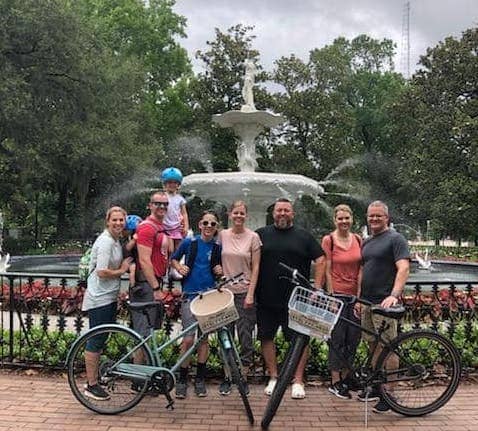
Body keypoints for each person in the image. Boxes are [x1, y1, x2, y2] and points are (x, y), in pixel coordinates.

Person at [256, 198, 325, 399]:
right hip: (266, 297)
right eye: (279, 210)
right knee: (266, 337)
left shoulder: (304, 236)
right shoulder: (261, 234)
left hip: (297, 299)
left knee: (299, 340)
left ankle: (298, 380)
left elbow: (321, 259)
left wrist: (317, 288)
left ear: (292, 214)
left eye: (286, 210)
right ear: (273, 213)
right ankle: (274, 377)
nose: (282, 214)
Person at [358, 200, 410, 413]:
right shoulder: (368, 241)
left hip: (385, 303)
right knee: (372, 346)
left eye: (378, 216)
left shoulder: (396, 239)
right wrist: (360, 299)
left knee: (388, 348)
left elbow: (404, 268)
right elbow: (364, 270)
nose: (374, 219)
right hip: (368, 302)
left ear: (387, 218)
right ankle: (378, 388)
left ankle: (390, 394)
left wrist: (394, 295)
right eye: (371, 216)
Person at [81, 206, 132, 400]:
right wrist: (122, 270)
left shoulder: (115, 240)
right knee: (96, 339)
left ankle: (94, 379)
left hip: (108, 296)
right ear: (107, 221)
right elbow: (102, 272)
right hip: (99, 298)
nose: (118, 223)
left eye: (121, 220)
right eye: (115, 220)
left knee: (101, 338)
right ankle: (91, 384)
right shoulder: (105, 242)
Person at [170, 210, 223, 399]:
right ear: (200, 225)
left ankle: (200, 379)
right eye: (206, 223)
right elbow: (173, 258)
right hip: (190, 296)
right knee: (188, 339)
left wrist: (219, 270)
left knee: (204, 339)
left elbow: (219, 269)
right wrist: (178, 267)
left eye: (213, 224)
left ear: (216, 228)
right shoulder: (189, 243)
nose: (209, 226)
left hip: (208, 297)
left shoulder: (217, 248)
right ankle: (182, 379)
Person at [217, 200, 262, 396]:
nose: (238, 216)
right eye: (235, 213)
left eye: (242, 213)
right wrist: (217, 270)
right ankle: (227, 377)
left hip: (245, 293)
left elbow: (256, 267)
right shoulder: (222, 235)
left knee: (245, 338)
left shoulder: (253, 237)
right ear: (230, 214)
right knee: (225, 337)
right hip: (225, 294)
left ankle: (242, 377)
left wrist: (251, 293)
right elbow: (215, 259)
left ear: (246, 215)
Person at [322, 204, 362, 399]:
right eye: (340, 218)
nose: (344, 222)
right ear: (334, 220)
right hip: (337, 296)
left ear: (352, 219)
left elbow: (361, 269)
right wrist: (330, 296)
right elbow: (327, 269)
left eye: (347, 218)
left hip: (355, 297)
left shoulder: (358, 240)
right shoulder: (329, 240)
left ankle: (347, 377)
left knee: (353, 338)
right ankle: (335, 380)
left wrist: (360, 297)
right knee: (337, 339)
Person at [133, 192, 173, 339]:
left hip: (154, 281)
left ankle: (145, 362)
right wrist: (155, 288)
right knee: (142, 333)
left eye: (165, 204)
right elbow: (144, 260)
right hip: (146, 284)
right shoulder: (147, 228)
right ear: (150, 206)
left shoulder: (160, 226)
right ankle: (138, 363)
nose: (162, 206)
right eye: (157, 203)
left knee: (149, 332)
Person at [161, 167, 189, 250]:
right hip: (165, 227)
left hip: (176, 227)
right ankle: (167, 262)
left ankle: (175, 262)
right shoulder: (162, 197)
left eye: (175, 183)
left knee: (178, 248)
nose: (172, 185)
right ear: (165, 184)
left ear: (178, 185)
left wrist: (186, 227)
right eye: (169, 182)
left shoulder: (180, 199)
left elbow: (184, 213)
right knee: (169, 248)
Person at [123, 214, 142, 292]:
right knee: (133, 268)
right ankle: (133, 285)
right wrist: (134, 240)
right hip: (129, 258)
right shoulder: (128, 239)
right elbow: (127, 248)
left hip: (135, 257)